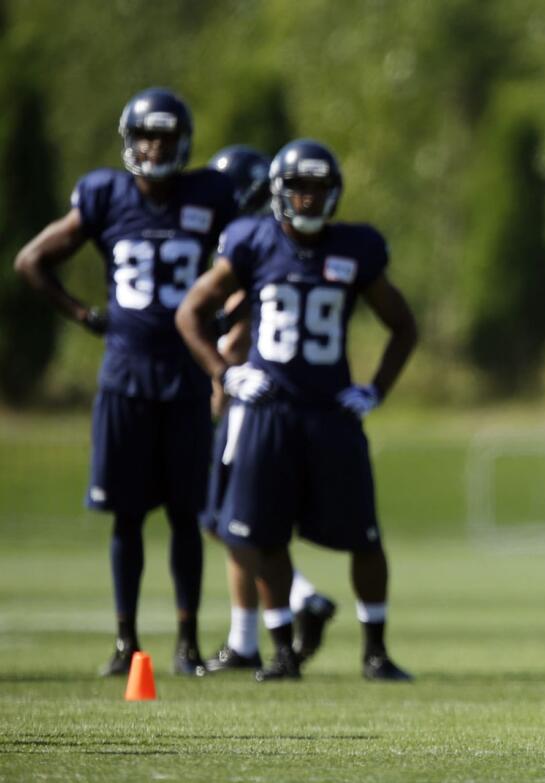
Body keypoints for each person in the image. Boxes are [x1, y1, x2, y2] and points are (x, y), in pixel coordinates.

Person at [14, 87, 237, 677]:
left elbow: (253, 261)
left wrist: (231, 326)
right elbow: (30, 261)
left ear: (184, 142)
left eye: (165, 136)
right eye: (146, 136)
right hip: (125, 376)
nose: (155, 146)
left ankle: (187, 642)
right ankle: (126, 641)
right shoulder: (105, 195)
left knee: (186, 514)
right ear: (130, 141)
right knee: (128, 515)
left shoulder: (209, 195)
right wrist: (84, 314)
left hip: (186, 377)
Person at [176, 139, 418, 681]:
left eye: (318, 189)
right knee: (264, 536)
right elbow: (191, 311)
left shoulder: (357, 248)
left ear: (334, 194)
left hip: (331, 412)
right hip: (270, 409)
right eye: (298, 189)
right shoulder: (251, 242)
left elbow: (403, 325)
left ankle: (375, 651)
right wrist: (224, 372)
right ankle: (283, 650)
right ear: (279, 193)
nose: (308, 200)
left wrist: (375, 389)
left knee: (365, 536)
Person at [199, 145, 338, 673]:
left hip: (253, 401)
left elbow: (240, 330)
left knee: (234, 520)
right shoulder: (274, 234)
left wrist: (222, 380)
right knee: (229, 520)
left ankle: (257, 632)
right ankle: (292, 604)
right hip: (268, 397)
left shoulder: (258, 238)